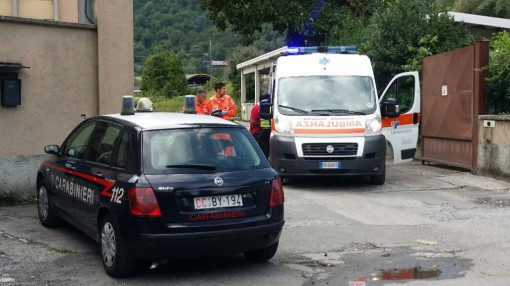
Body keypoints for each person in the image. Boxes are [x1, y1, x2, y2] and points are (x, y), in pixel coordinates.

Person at [250, 92, 271, 158]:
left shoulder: (265, 107)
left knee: (266, 150)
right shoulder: (257, 108)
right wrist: (261, 124)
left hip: (264, 133)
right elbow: (252, 121)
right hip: (258, 133)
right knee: (263, 151)